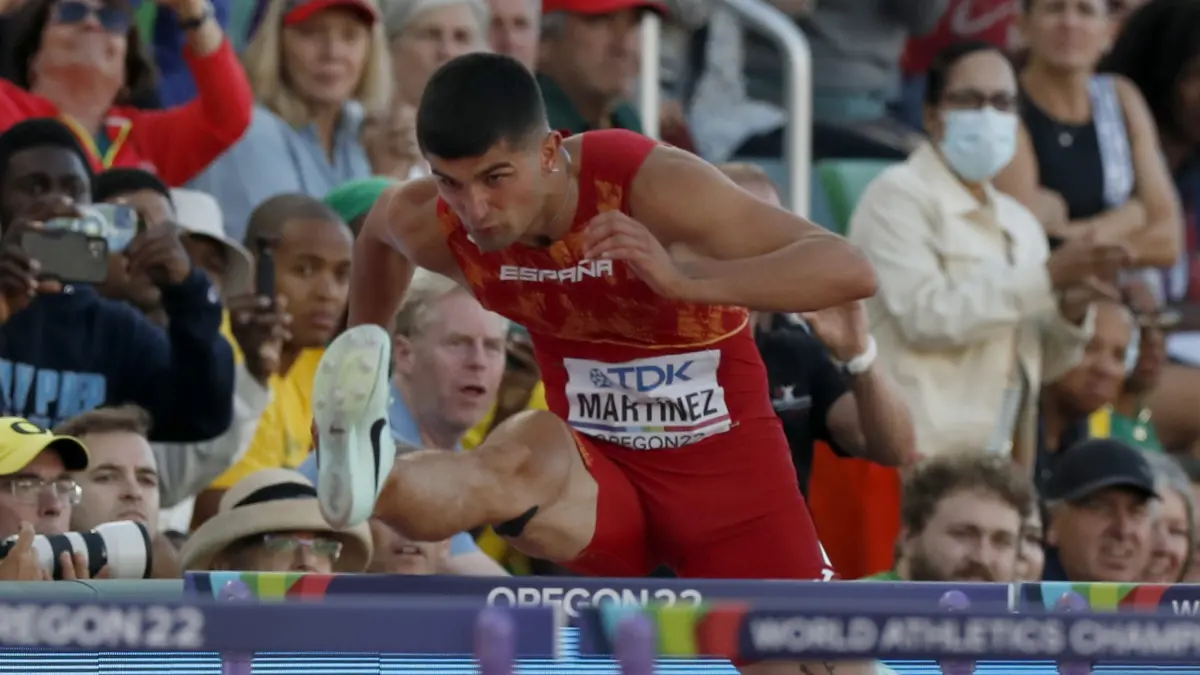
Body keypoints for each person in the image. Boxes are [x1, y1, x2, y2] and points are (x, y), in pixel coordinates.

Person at [315, 52, 877, 675]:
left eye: (497, 178)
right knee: (512, 459)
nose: (475, 209)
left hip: (733, 497)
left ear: (551, 152)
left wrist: (686, 281)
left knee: (828, 665)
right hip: (598, 480)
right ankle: (370, 473)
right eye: (451, 182)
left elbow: (848, 269)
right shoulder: (442, 221)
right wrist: (362, 348)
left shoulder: (648, 185)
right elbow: (377, 237)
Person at [864, 452, 1034, 582]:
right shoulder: (851, 608)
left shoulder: (1027, 622)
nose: (982, 557)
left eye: (1002, 541)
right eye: (963, 534)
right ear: (910, 538)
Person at [181, 468, 371, 573]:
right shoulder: (204, 642)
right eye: (283, 545)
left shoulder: (355, 643)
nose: (306, 562)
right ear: (225, 565)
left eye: (321, 547)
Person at [1042, 438, 1157, 581]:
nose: (1124, 530)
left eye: (1137, 512)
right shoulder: (1021, 600)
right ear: (1053, 523)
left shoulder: (1164, 601)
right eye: (1101, 508)